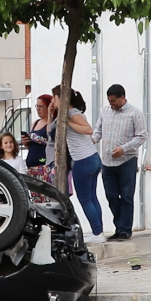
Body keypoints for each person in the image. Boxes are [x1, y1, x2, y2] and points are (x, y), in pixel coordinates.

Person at [91, 84, 148, 241]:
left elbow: (142, 136)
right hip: (107, 162)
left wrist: (124, 149)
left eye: (114, 101)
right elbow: (98, 130)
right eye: (109, 101)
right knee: (111, 196)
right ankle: (118, 226)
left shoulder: (135, 113)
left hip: (126, 161)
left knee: (126, 196)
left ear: (123, 98)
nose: (112, 104)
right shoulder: (105, 111)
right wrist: (92, 140)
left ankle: (125, 230)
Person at [53, 86, 104, 243]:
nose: (53, 102)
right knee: (92, 197)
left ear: (62, 99)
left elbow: (88, 129)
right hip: (91, 158)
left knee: (85, 199)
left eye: (54, 98)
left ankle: (97, 233)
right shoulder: (68, 113)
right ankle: (98, 231)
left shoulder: (72, 114)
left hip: (84, 160)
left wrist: (67, 122)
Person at [24, 94, 55, 186]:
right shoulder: (35, 123)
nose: (38, 109)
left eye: (41, 106)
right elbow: (31, 146)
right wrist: (26, 142)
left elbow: (51, 137)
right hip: (31, 166)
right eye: (37, 106)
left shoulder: (52, 123)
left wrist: (50, 114)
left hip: (44, 166)